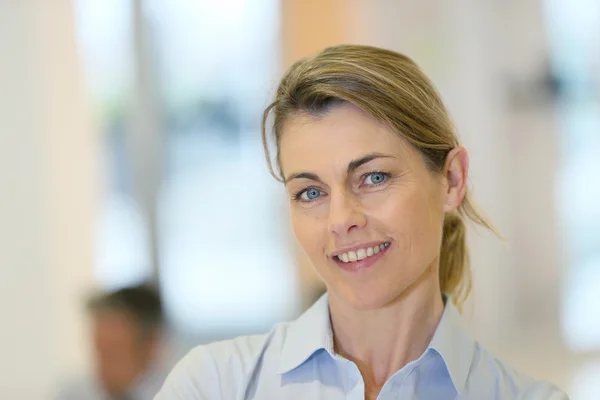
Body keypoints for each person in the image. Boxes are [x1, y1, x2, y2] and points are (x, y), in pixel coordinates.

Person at [155, 45, 568, 399]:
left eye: (373, 178)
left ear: (452, 180)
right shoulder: (215, 385)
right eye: (311, 192)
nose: (341, 220)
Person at [56, 284, 169, 400]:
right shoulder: (72, 393)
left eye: (113, 351)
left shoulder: (177, 391)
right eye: (99, 350)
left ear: (150, 344)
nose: (102, 367)